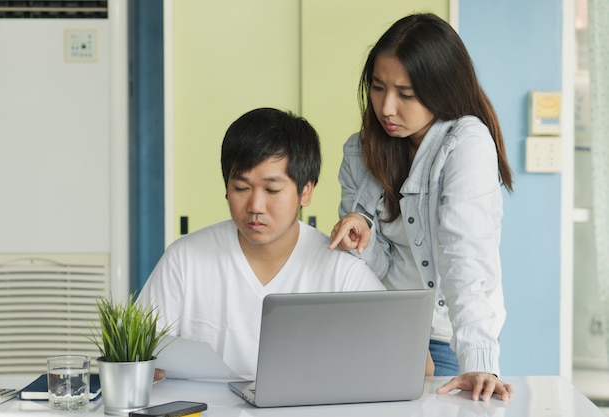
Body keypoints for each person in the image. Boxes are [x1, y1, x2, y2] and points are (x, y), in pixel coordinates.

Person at [138, 108, 433, 379]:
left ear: (306, 192)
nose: (255, 205)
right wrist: (141, 369)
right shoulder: (185, 259)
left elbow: (421, 364)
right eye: (241, 187)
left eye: (272, 189)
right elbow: (132, 350)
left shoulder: (339, 269)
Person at [329, 13, 513, 401]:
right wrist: (360, 230)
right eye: (378, 88)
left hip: (449, 342)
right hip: (383, 334)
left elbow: (463, 252)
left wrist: (479, 359)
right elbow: (373, 267)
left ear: (441, 88)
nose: (387, 108)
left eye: (406, 94)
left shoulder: (466, 143)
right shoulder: (359, 149)